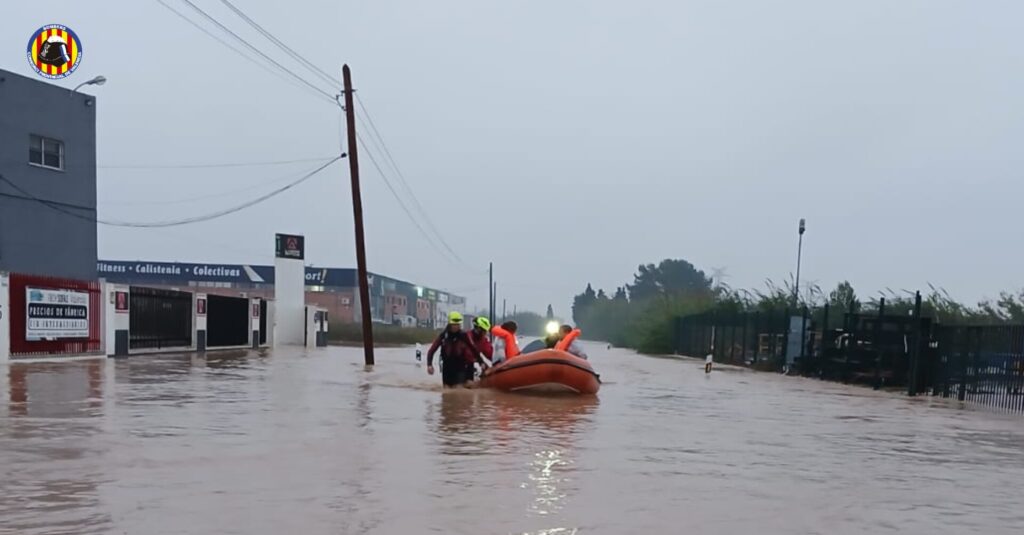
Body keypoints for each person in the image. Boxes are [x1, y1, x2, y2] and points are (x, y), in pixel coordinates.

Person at [426, 311, 484, 387]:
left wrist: (481, 362)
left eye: (458, 324)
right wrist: (429, 365)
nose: (456, 326)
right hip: (447, 368)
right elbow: (432, 350)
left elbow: (473, 349)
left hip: (460, 367)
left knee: (458, 389)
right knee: (446, 390)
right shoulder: (443, 336)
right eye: (454, 324)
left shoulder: (464, 336)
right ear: (450, 324)